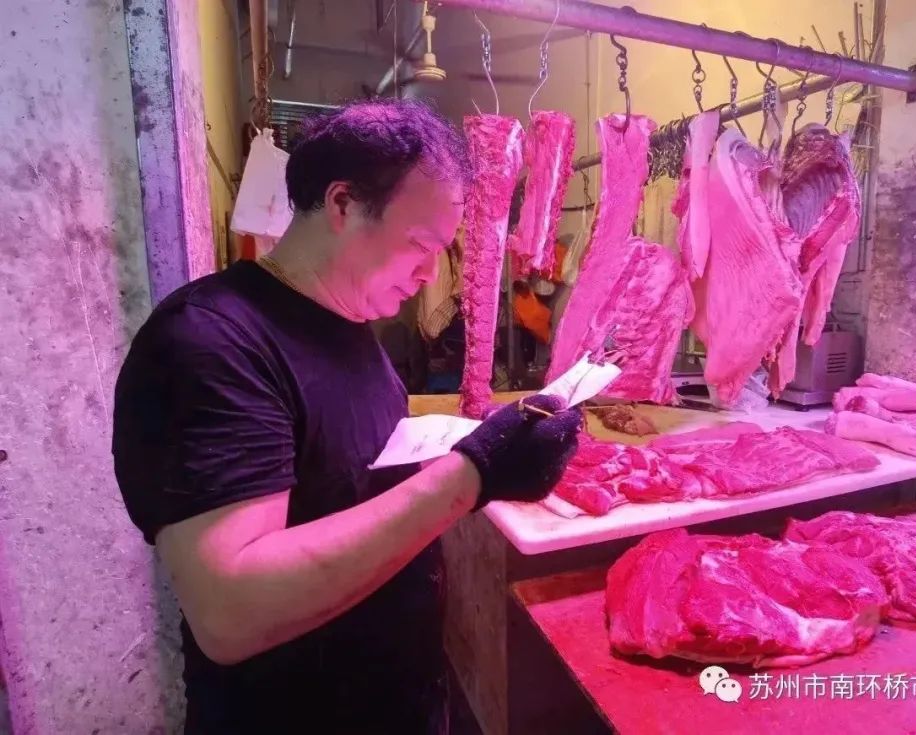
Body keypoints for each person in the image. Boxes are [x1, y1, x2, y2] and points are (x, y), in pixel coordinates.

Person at [111, 98, 583, 734]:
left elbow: (349, 487)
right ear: (342, 204)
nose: (430, 273)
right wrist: (472, 474)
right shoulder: (211, 343)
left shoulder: (352, 328)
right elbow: (230, 610)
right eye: (420, 245)